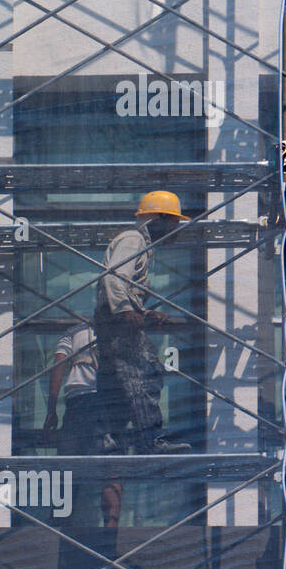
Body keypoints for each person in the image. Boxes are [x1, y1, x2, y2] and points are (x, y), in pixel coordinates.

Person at [93, 190, 192, 454]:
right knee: (145, 375)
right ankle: (151, 441)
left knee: (121, 383)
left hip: (114, 320)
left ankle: (109, 438)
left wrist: (144, 314)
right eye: (172, 222)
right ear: (158, 218)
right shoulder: (134, 239)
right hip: (116, 323)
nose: (174, 229)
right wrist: (126, 311)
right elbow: (112, 278)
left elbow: (122, 286)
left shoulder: (142, 245)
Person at [42, 319, 117, 456]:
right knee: (104, 454)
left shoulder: (74, 331)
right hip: (106, 399)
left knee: (70, 454)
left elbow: (58, 365)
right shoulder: (119, 327)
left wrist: (51, 410)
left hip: (77, 400)